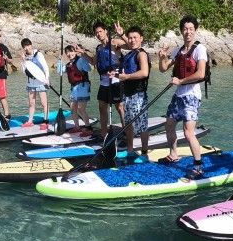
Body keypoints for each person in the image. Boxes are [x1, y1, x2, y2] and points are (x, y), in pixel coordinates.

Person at [158, 15, 207, 179]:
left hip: (191, 96)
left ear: (195, 30)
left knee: (188, 132)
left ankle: (199, 166)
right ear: (181, 31)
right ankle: (173, 155)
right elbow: (163, 69)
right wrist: (162, 57)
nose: (188, 32)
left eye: (191, 29)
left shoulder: (200, 49)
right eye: (185, 29)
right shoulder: (178, 50)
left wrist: (181, 81)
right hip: (178, 96)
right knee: (169, 124)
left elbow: (200, 73)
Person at [81, 21, 126, 138]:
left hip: (116, 80)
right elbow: (93, 62)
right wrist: (82, 53)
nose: (98, 34)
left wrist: (122, 35)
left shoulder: (115, 42)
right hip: (104, 82)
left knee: (119, 107)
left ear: (105, 31)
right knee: (102, 107)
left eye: (100, 31)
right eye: (96, 32)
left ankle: (126, 130)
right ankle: (104, 133)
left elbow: (131, 46)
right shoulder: (99, 48)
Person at [117, 26, 151, 157]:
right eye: (130, 38)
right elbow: (130, 45)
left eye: (135, 37)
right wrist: (121, 35)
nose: (132, 40)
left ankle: (144, 153)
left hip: (139, 95)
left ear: (141, 38)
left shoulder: (141, 54)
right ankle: (130, 150)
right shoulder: (131, 52)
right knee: (129, 123)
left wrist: (127, 77)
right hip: (128, 94)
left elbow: (144, 72)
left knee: (142, 125)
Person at [61, 44, 94, 133]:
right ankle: (77, 127)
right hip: (74, 89)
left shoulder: (80, 60)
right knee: (73, 109)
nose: (69, 54)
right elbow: (60, 71)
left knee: (81, 109)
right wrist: (59, 61)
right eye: (67, 52)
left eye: (71, 51)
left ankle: (88, 128)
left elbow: (88, 69)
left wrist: (83, 56)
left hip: (83, 87)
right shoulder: (68, 64)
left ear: (75, 52)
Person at [20, 38, 50, 129]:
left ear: (31, 45)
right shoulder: (25, 57)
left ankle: (45, 120)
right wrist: (23, 61)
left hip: (40, 81)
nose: (26, 48)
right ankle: (30, 121)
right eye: (24, 47)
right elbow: (23, 71)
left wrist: (47, 79)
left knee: (43, 102)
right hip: (31, 83)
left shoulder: (38, 54)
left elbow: (45, 67)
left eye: (28, 46)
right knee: (31, 103)